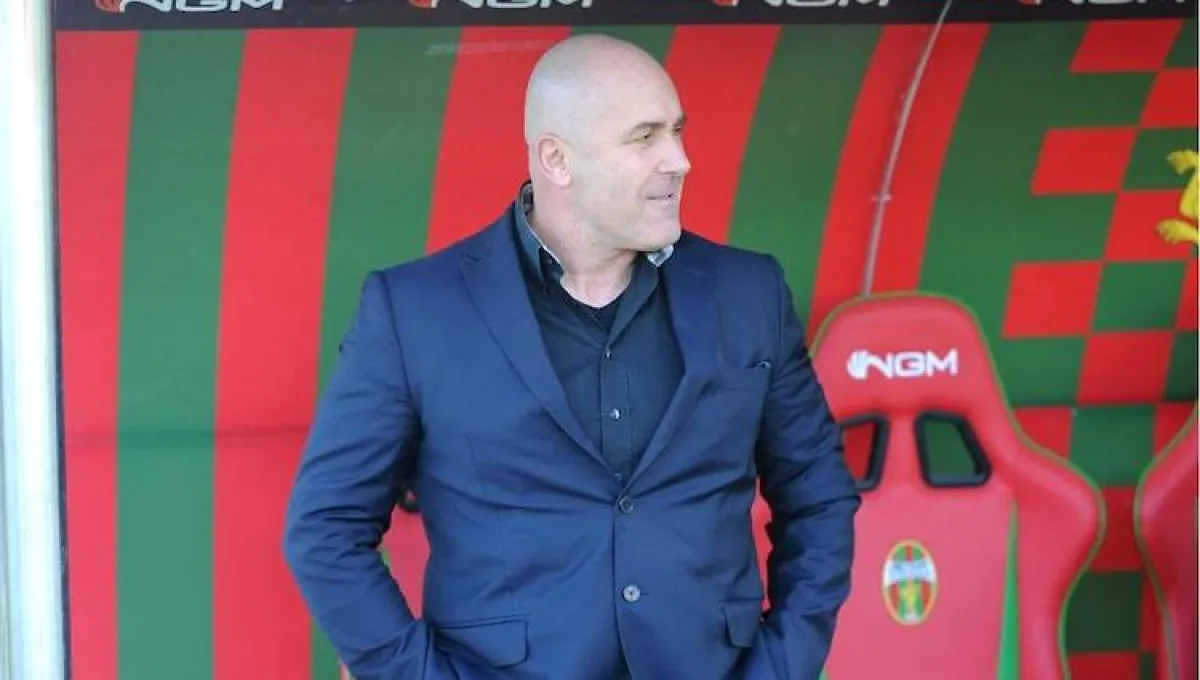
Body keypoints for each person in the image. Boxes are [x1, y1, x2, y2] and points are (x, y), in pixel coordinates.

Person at [284, 33, 860, 680]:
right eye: (644, 138)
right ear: (556, 160)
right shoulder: (414, 310)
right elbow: (326, 529)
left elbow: (819, 498)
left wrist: (779, 668)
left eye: (676, 131)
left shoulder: (749, 292)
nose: (680, 160)